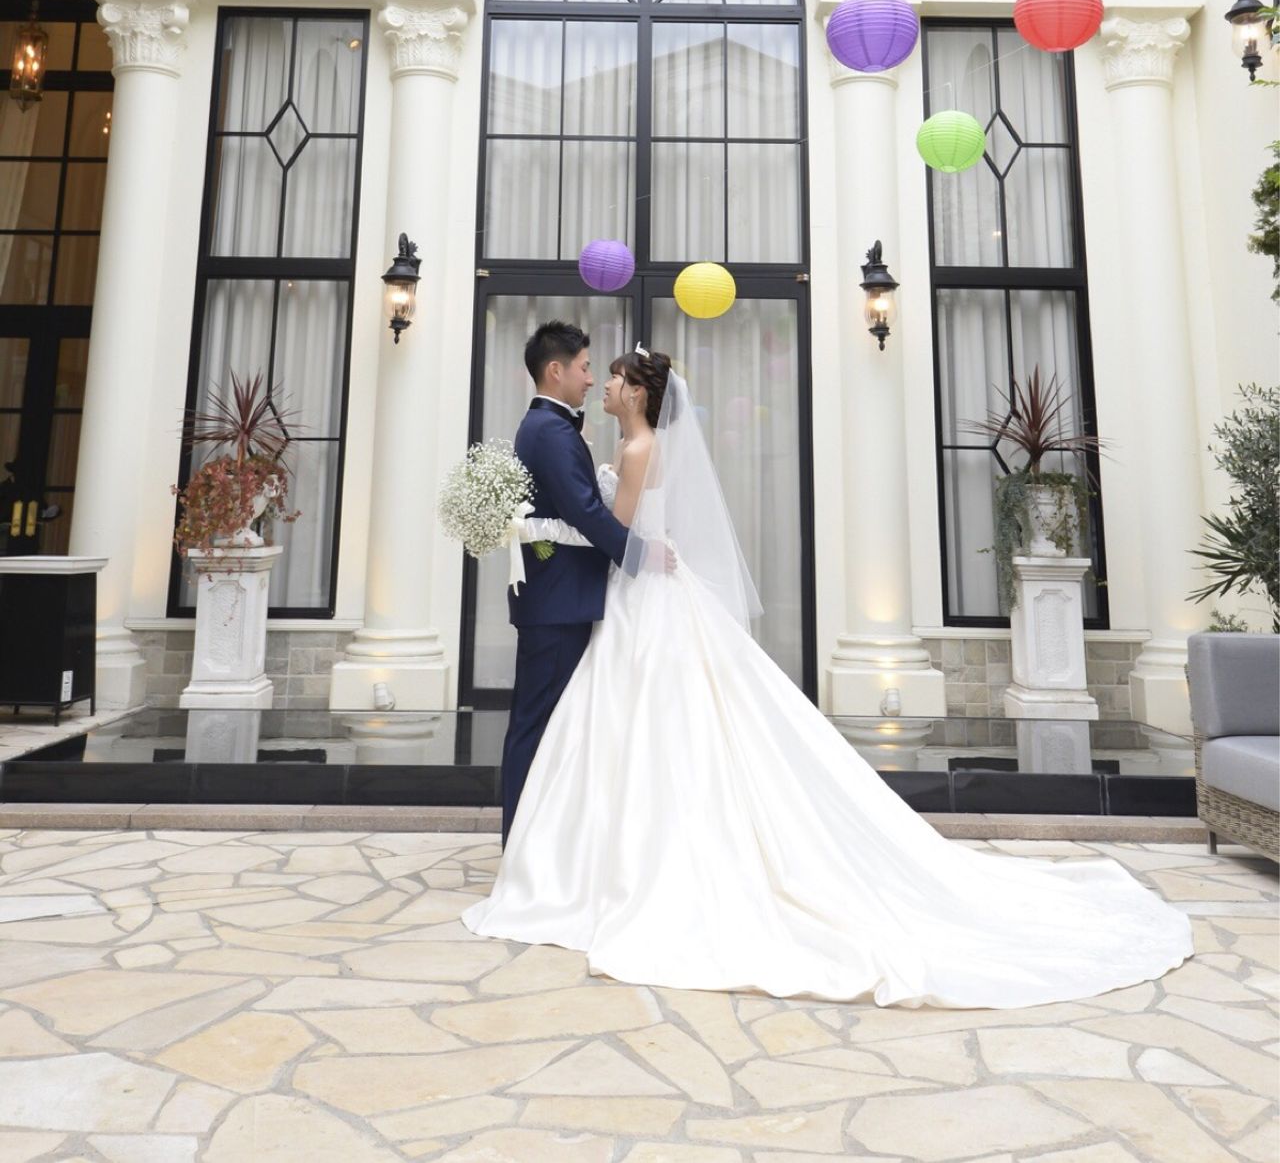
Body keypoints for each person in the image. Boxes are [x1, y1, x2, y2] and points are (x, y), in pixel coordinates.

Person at [466, 345, 1195, 1009]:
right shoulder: (629, 443)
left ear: (637, 393)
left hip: (641, 597)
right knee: (662, 723)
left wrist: (575, 536)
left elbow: (615, 530)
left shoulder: (634, 448)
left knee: (638, 723)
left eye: (613, 376)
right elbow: (615, 527)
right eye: (594, 371)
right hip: (649, 590)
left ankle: (606, 858)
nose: (602, 382)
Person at [499, 321, 635, 845]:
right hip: (556, 602)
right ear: (555, 370)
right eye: (584, 367)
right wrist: (638, 555)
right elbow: (582, 510)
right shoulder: (550, 430)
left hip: (557, 598)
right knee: (537, 723)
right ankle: (521, 843)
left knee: (548, 723)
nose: (590, 378)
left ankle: (537, 842)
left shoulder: (548, 426)